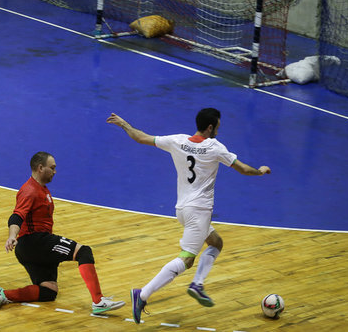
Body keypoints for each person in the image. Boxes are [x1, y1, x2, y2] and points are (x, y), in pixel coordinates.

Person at [106, 109, 271, 324]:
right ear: (210, 127)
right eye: (218, 127)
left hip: (182, 209)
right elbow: (243, 169)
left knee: (216, 242)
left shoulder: (177, 140)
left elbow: (140, 137)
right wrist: (260, 170)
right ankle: (143, 294)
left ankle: (197, 284)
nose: (219, 131)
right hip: (199, 211)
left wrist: (124, 124)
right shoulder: (215, 147)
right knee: (187, 259)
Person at [0, 151, 125, 315]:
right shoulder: (29, 190)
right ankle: (98, 301)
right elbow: (17, 215)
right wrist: (12, 236)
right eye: (52, 168)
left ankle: (2, 294)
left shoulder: (41, 189)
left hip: (32, 247)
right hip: (35, 242)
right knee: (83, 252)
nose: (55, 171)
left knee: (49, 291)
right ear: (40, 168)